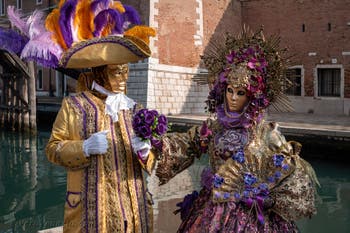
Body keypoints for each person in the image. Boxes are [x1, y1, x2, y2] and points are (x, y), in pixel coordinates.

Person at [4, 1, 156, 232]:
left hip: (133, 214)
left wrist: (146, 152)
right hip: (91, 215)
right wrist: (83, 148)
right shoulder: (74, 106)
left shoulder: (135, 110)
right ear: (100, 72)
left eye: (126, 71)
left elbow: (153, 162)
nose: (124, 78)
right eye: (116, 72)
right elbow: (53, 150)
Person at [154, 29, 319, 232]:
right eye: (229, 91)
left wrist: (268, 199)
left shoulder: (266, 132)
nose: (233, 98)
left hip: (251, 212)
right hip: (212, 205)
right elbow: (186, 144)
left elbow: (293, 170)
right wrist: (154, 142)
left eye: (240, 93)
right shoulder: (213, 127)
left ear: (251, 97)